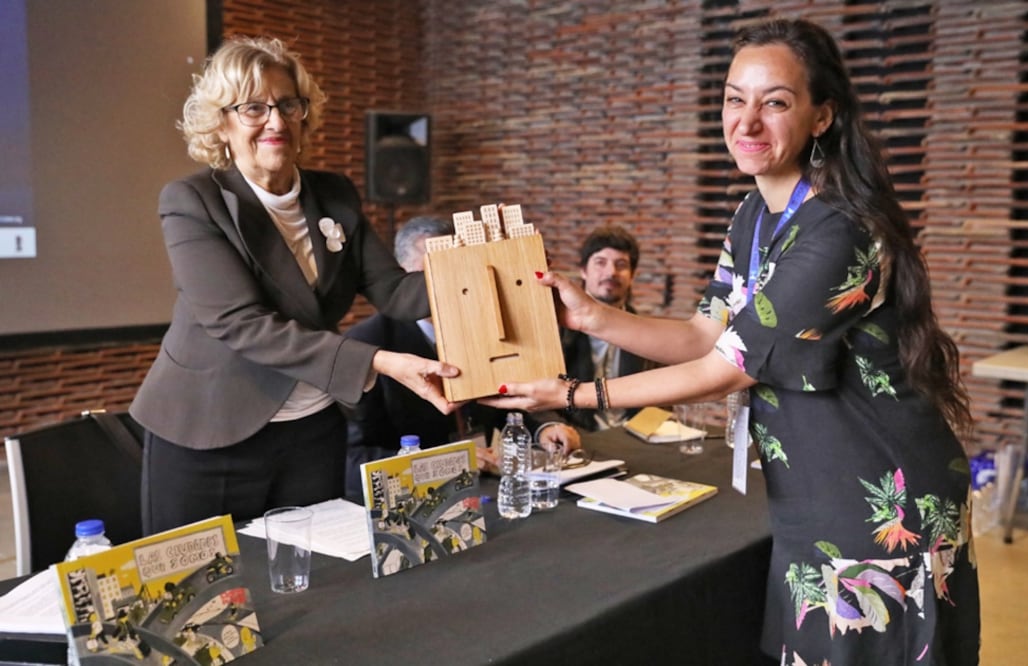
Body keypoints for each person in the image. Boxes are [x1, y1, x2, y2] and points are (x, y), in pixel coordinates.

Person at [488, 18, 978, 665]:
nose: (745, 122)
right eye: (733, 98)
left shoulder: (836, 229)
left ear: (821, 116)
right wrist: (592, 318)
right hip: (813, 487)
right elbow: (702, 332)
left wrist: (573, 392)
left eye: (774, 102)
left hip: (880, 494)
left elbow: (726, 367)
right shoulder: (753, 216)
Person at [130, 36, 457, 535]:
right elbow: (241, 324)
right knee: (201, 596)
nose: (277, 122)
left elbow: (394, 291)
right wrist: (379, 361)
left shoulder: (334, 193)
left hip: (311, 430)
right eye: (253, 108)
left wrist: (481, 275)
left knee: (310, 582)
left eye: (288, 104)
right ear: (222, 123)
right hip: (209, 428)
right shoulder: (193, 201)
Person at [343, 216, 579, 495]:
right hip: (415, 500)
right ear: (400, 277)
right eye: (430, 276)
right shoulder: (367, 345)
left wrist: (545, 427)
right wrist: (447, 464)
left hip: (484, 486)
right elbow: (352, 462)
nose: (446, 289)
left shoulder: (484, 327)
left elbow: (507, 396)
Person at [561, 225, 654, 431]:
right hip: (576, 437)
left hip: (633, 439)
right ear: (583, 271)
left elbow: (662, 400)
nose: (611, 272)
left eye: (621, 265)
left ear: (632, 275)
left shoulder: (646, 331)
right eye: (600, 263)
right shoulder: (559, 331)